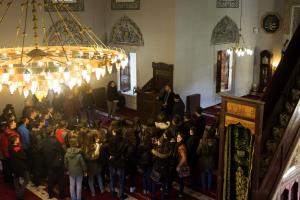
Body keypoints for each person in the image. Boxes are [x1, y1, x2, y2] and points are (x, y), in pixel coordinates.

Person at [41, 126, 65, 199]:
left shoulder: (43, 141)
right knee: (61, 180)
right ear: (52, 133)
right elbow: (62, 151)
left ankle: (50, 194)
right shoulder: (55, 141)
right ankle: (61, 195)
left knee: (50, 180)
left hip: (48, 163)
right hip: (57, 164)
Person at [107, 126, 127, 199]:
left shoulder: (110, 139)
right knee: (121, 181)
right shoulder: (124, 140)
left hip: (112, 162)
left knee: (112, 179)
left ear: (114, 132)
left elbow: (109, 150)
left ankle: (112, 193)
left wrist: (112, 156)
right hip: (120, 163)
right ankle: (121, 196)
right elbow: (124, 151)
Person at [83, 130, 105, 196]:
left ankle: (93, 193)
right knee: (98, 176)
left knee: (91, 179)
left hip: (89, 164)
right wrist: (98, 147)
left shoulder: (86, 145)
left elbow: (86, 156)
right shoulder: (97, 145)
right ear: (94, 137)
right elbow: (96, 156)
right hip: (96, 163)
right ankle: (102, 190)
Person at [9, 135, 29, 200]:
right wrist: (21, 148)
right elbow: (24, 157)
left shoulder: (10, 147)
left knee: (16, 180)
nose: (19, 139)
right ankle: (20, 193)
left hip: (13, 167)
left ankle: (18, 193)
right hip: (21, 167)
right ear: (15, 141)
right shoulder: (18, 148)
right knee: (27, 179)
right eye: (17, 139)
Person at [0, 119, 20, 184]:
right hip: (11, 154)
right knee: (13, 169)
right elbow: (16, 146)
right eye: (14, 123)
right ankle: (12, 183)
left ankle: (7, 180)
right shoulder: (13, 134)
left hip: (4, 153)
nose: (16, 124)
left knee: (6, 168)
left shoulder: (3, 133)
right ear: (11, 124)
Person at [175, 132, 188, 198]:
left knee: (181, 180)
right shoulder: (180, 145)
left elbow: (184, 158)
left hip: (181, 166)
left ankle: (181, 193)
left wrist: (178, 166)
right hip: (181, 165)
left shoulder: (181, 147)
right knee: (181, 180)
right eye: (177, 137)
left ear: (182, 139)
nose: (177, 138)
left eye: (179, 137)